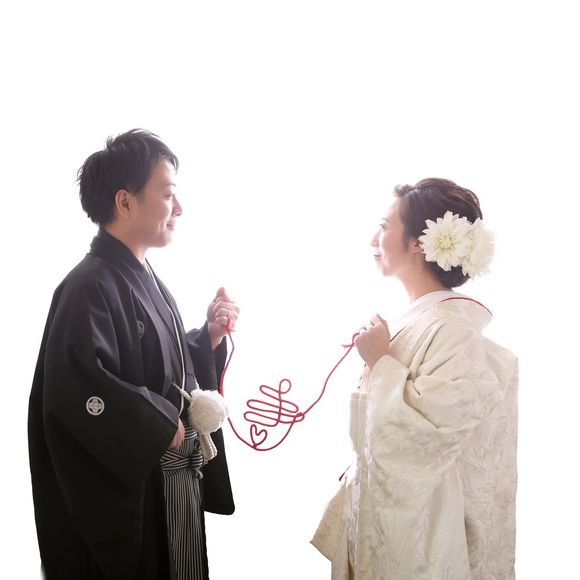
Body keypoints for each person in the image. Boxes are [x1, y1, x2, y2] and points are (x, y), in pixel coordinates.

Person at [28, 129, 239, 580]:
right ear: (125, 202)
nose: (179, 208)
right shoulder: (86, 286)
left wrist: (205, 340)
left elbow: (156, 365)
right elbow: (77, 390)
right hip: (140, 497)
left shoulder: (140, 275)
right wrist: (158, 424)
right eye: (168, 194)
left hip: (172, 488)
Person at [312, 178, 518, 579]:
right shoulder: (424, 321)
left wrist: (381, 363)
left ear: (419, 244)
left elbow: (428, 434)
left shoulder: (452, 330)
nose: (373, 239)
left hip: (423, 532)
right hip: (386, 513)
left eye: (384, 226)